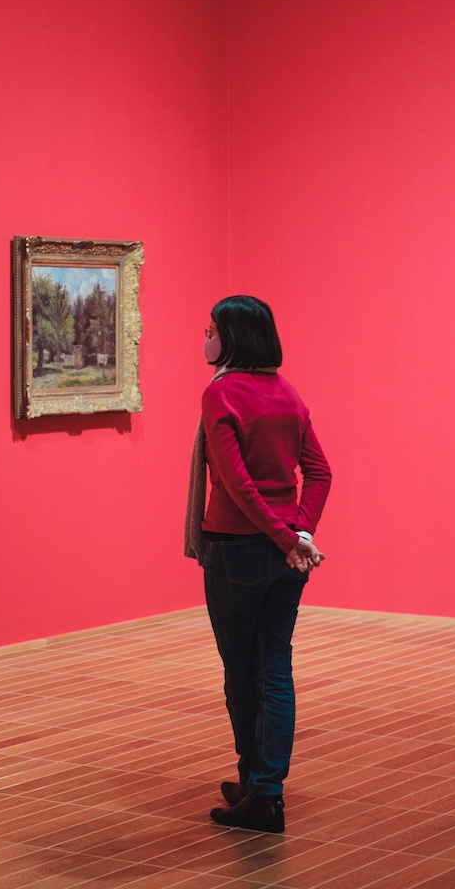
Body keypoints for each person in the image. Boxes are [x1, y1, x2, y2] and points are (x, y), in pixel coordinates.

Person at [184, 295, 331, 834]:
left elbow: (236, 484)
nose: (204, 338)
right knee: (274, 666)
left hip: (237, 548)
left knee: (241, 670)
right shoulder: (287, 393)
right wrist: (299, 534)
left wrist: (285, 537)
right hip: (283, 553)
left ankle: (261, 793)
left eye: (210, 329)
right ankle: (258, 781)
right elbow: (319, 473)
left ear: (233, 337)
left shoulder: (221, 393)